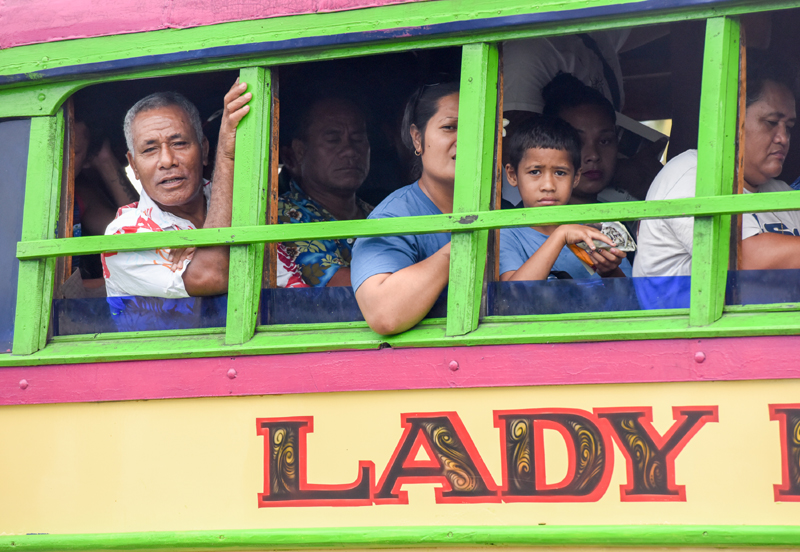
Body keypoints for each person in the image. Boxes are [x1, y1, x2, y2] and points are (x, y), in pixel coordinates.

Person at [634, 50, 797, 280]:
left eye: (788, 127)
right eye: (771, 122)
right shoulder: (692, 172)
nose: (783, 138)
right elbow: (743, 259)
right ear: (732, 118)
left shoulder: (781, 192)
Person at [101, 83, 252, 298]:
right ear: (133, 165)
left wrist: (200, 244)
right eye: (150, 149)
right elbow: (212, 275)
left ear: (204, 149)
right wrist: (227, 156)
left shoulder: (242, 199)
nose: (167, 160)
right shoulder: (124, 235)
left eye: (179, 143)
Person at [351, 82, 459, 335]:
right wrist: (464, 246)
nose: (465, 139)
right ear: (417, 138)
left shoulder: (506, 211)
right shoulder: (393, 217)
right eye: (450, 127)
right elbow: (384, 314)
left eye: (478, 128)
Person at [500, 116, 629, 281]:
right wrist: (561, 235)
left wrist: (610, 272)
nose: (548, 186)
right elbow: (513, 293)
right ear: (512, 175)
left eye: (560, 173)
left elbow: (632, 294)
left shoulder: (599, 229)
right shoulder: (505, 234)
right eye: (535, 172)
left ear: (576, 177)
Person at [277, 97, 373, 288]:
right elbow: (344, 288)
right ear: (297, 153)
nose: (350, 151)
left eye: (357, 139)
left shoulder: (379, 214)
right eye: (333, 140)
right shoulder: (282, 215)